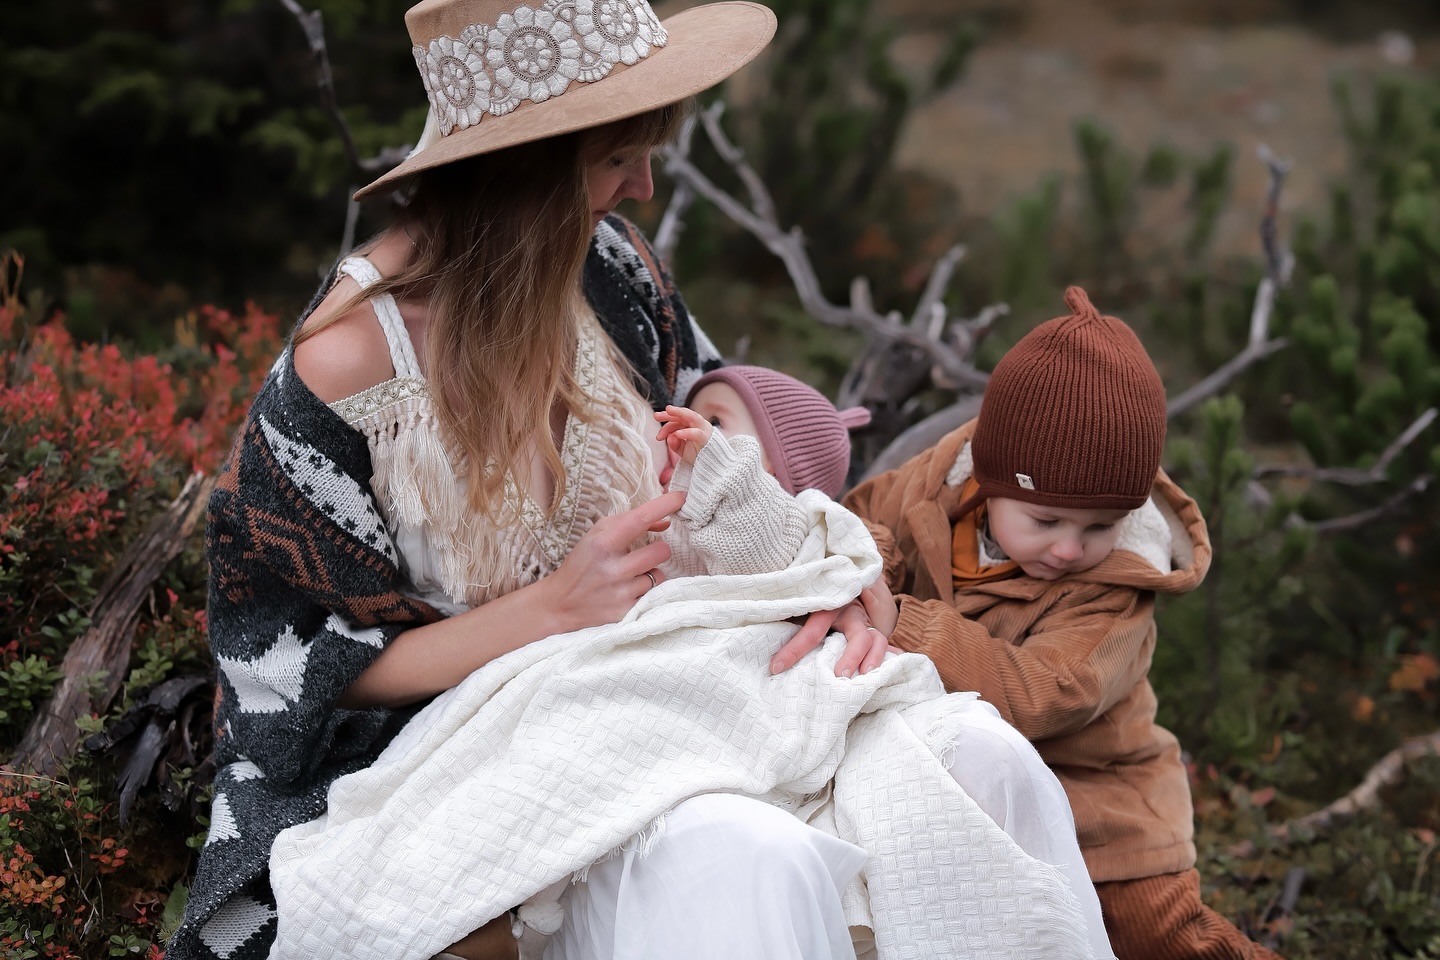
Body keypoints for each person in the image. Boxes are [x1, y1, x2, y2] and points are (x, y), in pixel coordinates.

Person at [171, 0, 1104, 953]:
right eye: (618, 158)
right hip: (500, 750)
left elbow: (717, 404)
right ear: (525, 173)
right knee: (745, 857)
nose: (647, 186)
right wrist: (551, 609)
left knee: (988, 763)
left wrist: (803, 550)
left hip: (705, 686)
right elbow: (280, 664)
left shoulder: (606, 270)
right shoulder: (347, 367)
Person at [842, 286, 1286, 960]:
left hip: (1099, 805)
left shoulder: (1115, 591)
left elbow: (1047, 691)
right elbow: (865, 517)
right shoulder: (933, 487)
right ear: (988, 484)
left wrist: (906, 624)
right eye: (1046, 521)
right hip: (957, 786)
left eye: (1099, 525)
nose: (1070, 549)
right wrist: (866, 570)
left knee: (1161, 939)